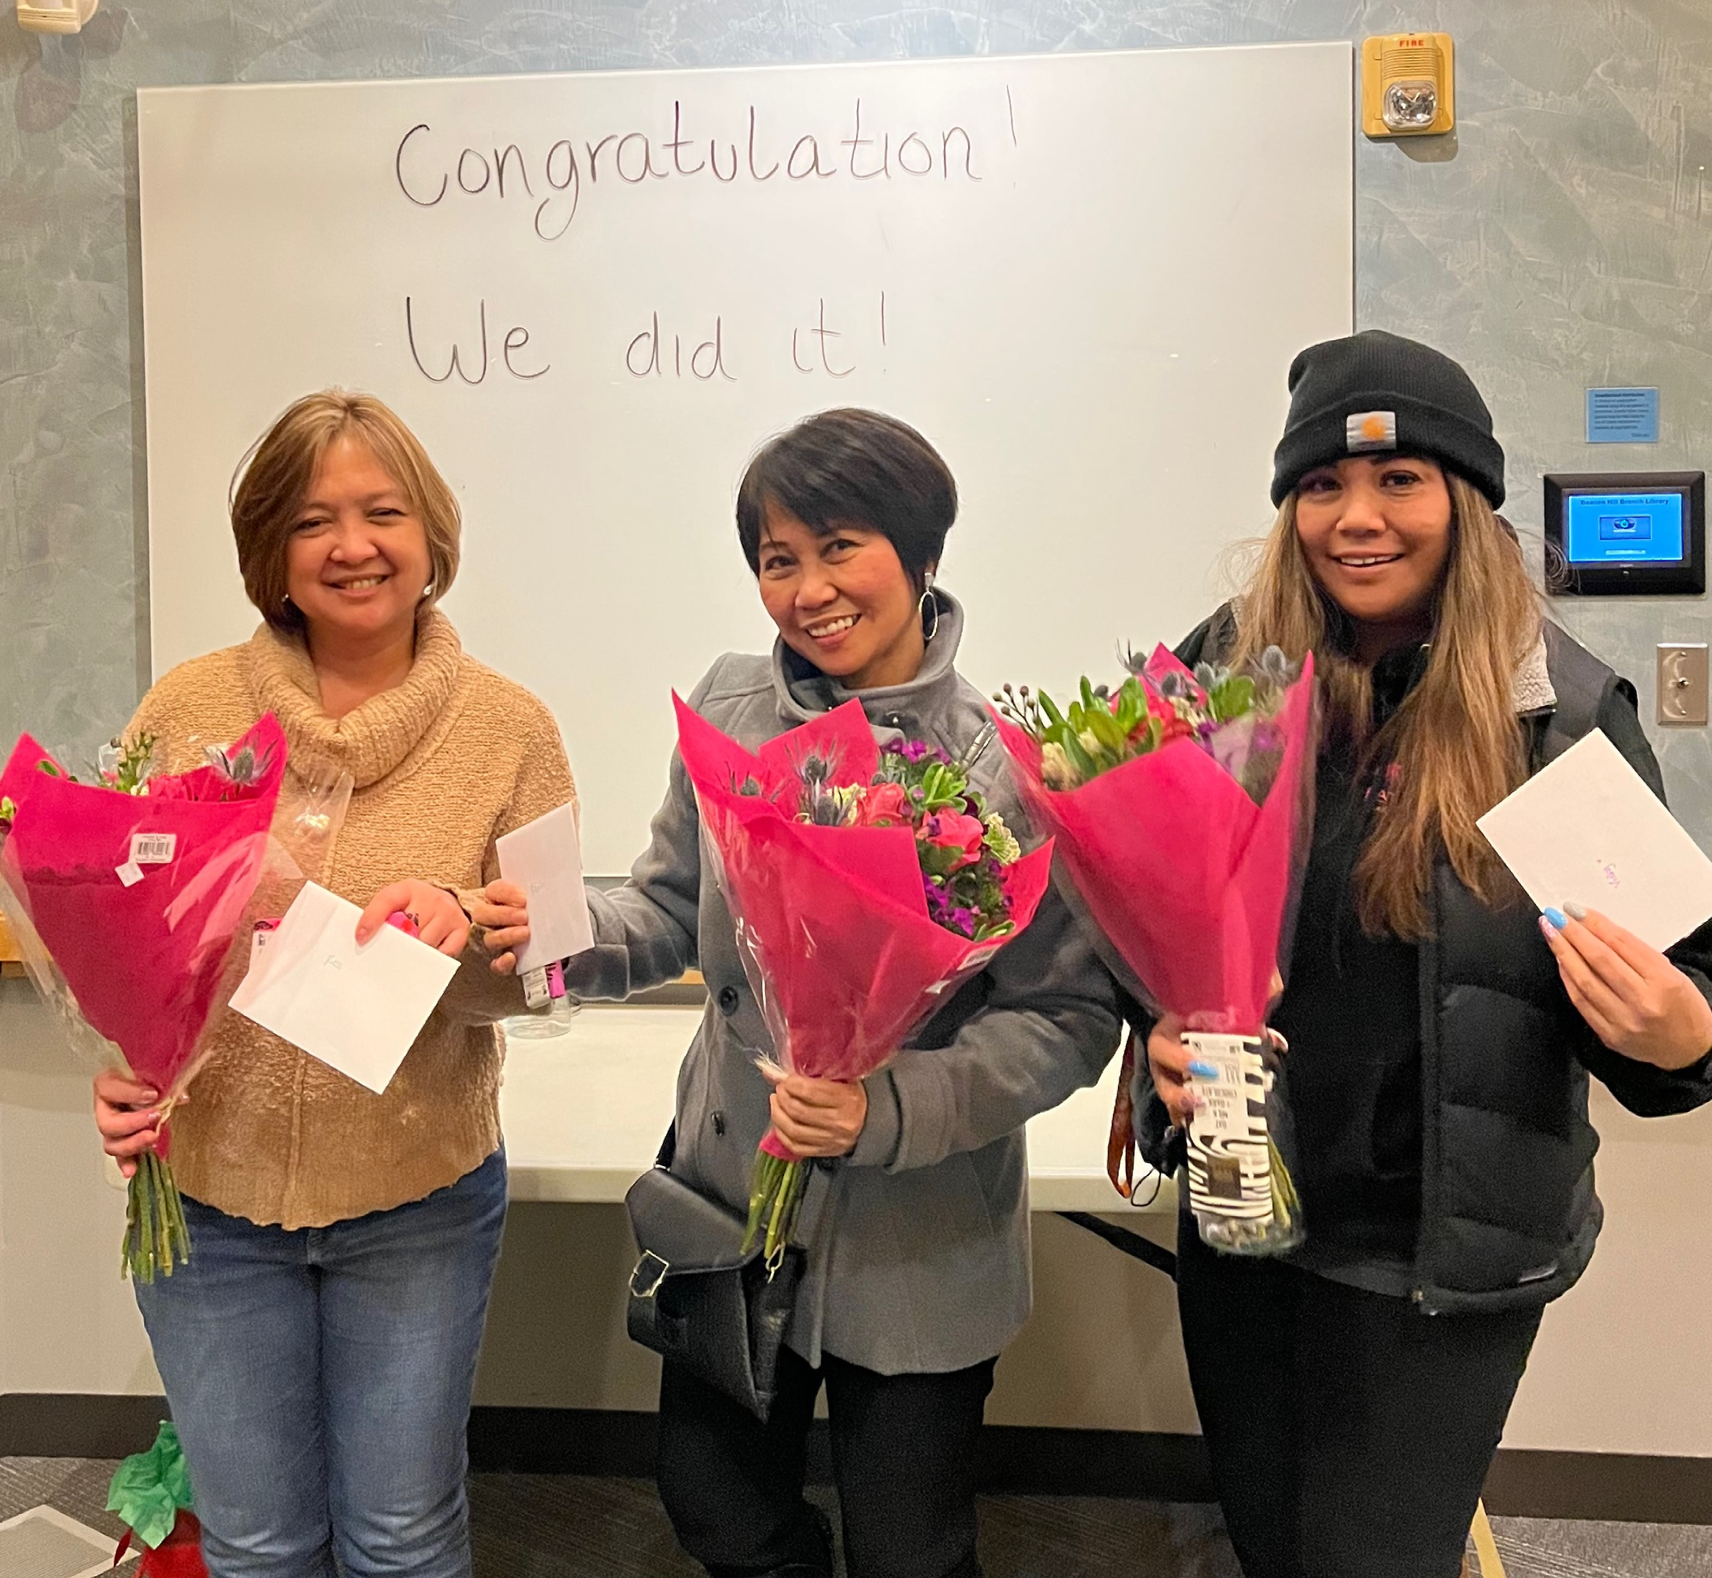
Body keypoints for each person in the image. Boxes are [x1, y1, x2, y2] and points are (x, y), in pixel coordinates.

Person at [485, 408, 1119, 1578]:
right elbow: (667, 909)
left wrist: (886, 1111)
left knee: (908, 1550)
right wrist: (555, 933)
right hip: (733, 1203)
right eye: (778, 560)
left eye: (840, 547)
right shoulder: (730, 709)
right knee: (715, 1506)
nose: (808, 589)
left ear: (921, 556)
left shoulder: (1001, 764)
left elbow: (1065, 1021)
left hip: (915, 1234)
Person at [1130, 331, 1712, 1578]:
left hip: (1437, 1254)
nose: (1357, 519)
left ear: (1463, 497)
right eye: (1322, 487)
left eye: (1398, 481)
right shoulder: (1220, 676)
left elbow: (1689, 984)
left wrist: (1684, 1035)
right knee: (1273, 1544)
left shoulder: (1552, 713)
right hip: (1247, 1224)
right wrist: (1156, 1047)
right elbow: (1150, 925)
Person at [92, 391, 574, 1578]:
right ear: (273, 550)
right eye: (314, 520)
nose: (353, 546)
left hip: (417, 1199)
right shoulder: (189, 711)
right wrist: (118, 1066)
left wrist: (466, 931)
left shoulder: (510, 729)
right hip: (208, 1202)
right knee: (255, 1543)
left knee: (402, 1539)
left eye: (382, 512)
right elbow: (120, 936)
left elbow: (550, 976)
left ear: (429, 536)